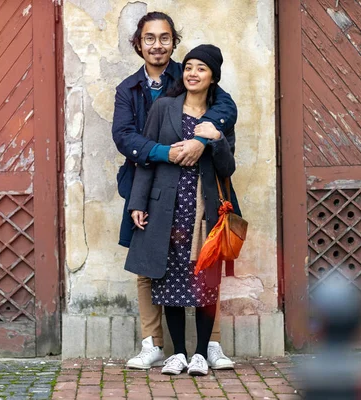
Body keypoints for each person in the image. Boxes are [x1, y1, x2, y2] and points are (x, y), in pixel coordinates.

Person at [112, 11, 238, 371]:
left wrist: (203, 139)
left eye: (164, 37)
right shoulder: (129, 89)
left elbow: (224, 107)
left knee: (203, 261)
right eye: (149, 38)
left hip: (196, 190)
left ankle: (208, 345)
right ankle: (154, 343)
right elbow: (124, 137)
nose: (157, 44)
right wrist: (164, 152)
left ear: (173, 42)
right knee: (150, 263)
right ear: (139, 43)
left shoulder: (190, 72)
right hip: (147, 180)